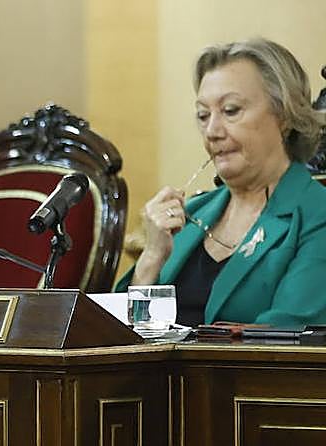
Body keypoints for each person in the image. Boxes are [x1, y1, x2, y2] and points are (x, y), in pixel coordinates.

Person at [117, 38, 326, 327]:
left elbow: (289, 335)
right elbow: (118, 336)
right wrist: (151, 258)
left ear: (284, 116)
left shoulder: (317, 213)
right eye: (203, 115)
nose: (212, 132)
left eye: (230, 111)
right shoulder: (192, 213)